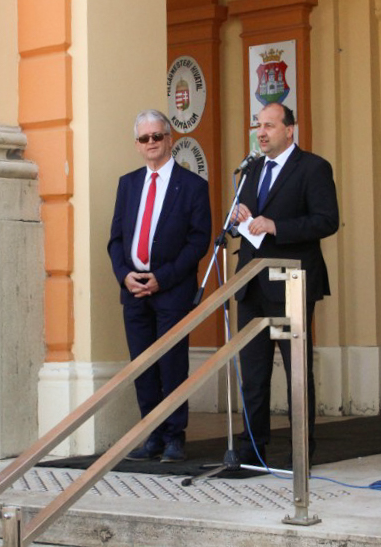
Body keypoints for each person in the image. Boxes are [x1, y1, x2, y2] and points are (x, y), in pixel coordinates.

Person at [231, 102, 339, 465]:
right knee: (253, 373)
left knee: (296, 371)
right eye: (258, 126)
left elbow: (327, 220)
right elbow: (246, 223)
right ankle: (252, 448)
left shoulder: (313, 167)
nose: (261, 133)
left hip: (290, 283)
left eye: (269, 126)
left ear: (289, 130)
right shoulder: (251, 170)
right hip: (251, 284)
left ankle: (300, 450)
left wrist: (276, 226)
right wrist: (239, 219)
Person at [108, 109, 212, 462]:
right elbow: (116, 239)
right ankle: (151, 434)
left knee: (172, 365)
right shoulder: (128, 184)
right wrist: (124, 274)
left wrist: (162, 278)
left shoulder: (193, 186)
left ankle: (174, 436)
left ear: (170, 139)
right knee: (143, 366)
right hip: (133, 290)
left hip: (171, 290)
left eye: (157, 136)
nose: (150, 142)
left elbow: (198, 242)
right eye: (144, 138)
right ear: (137, 145)